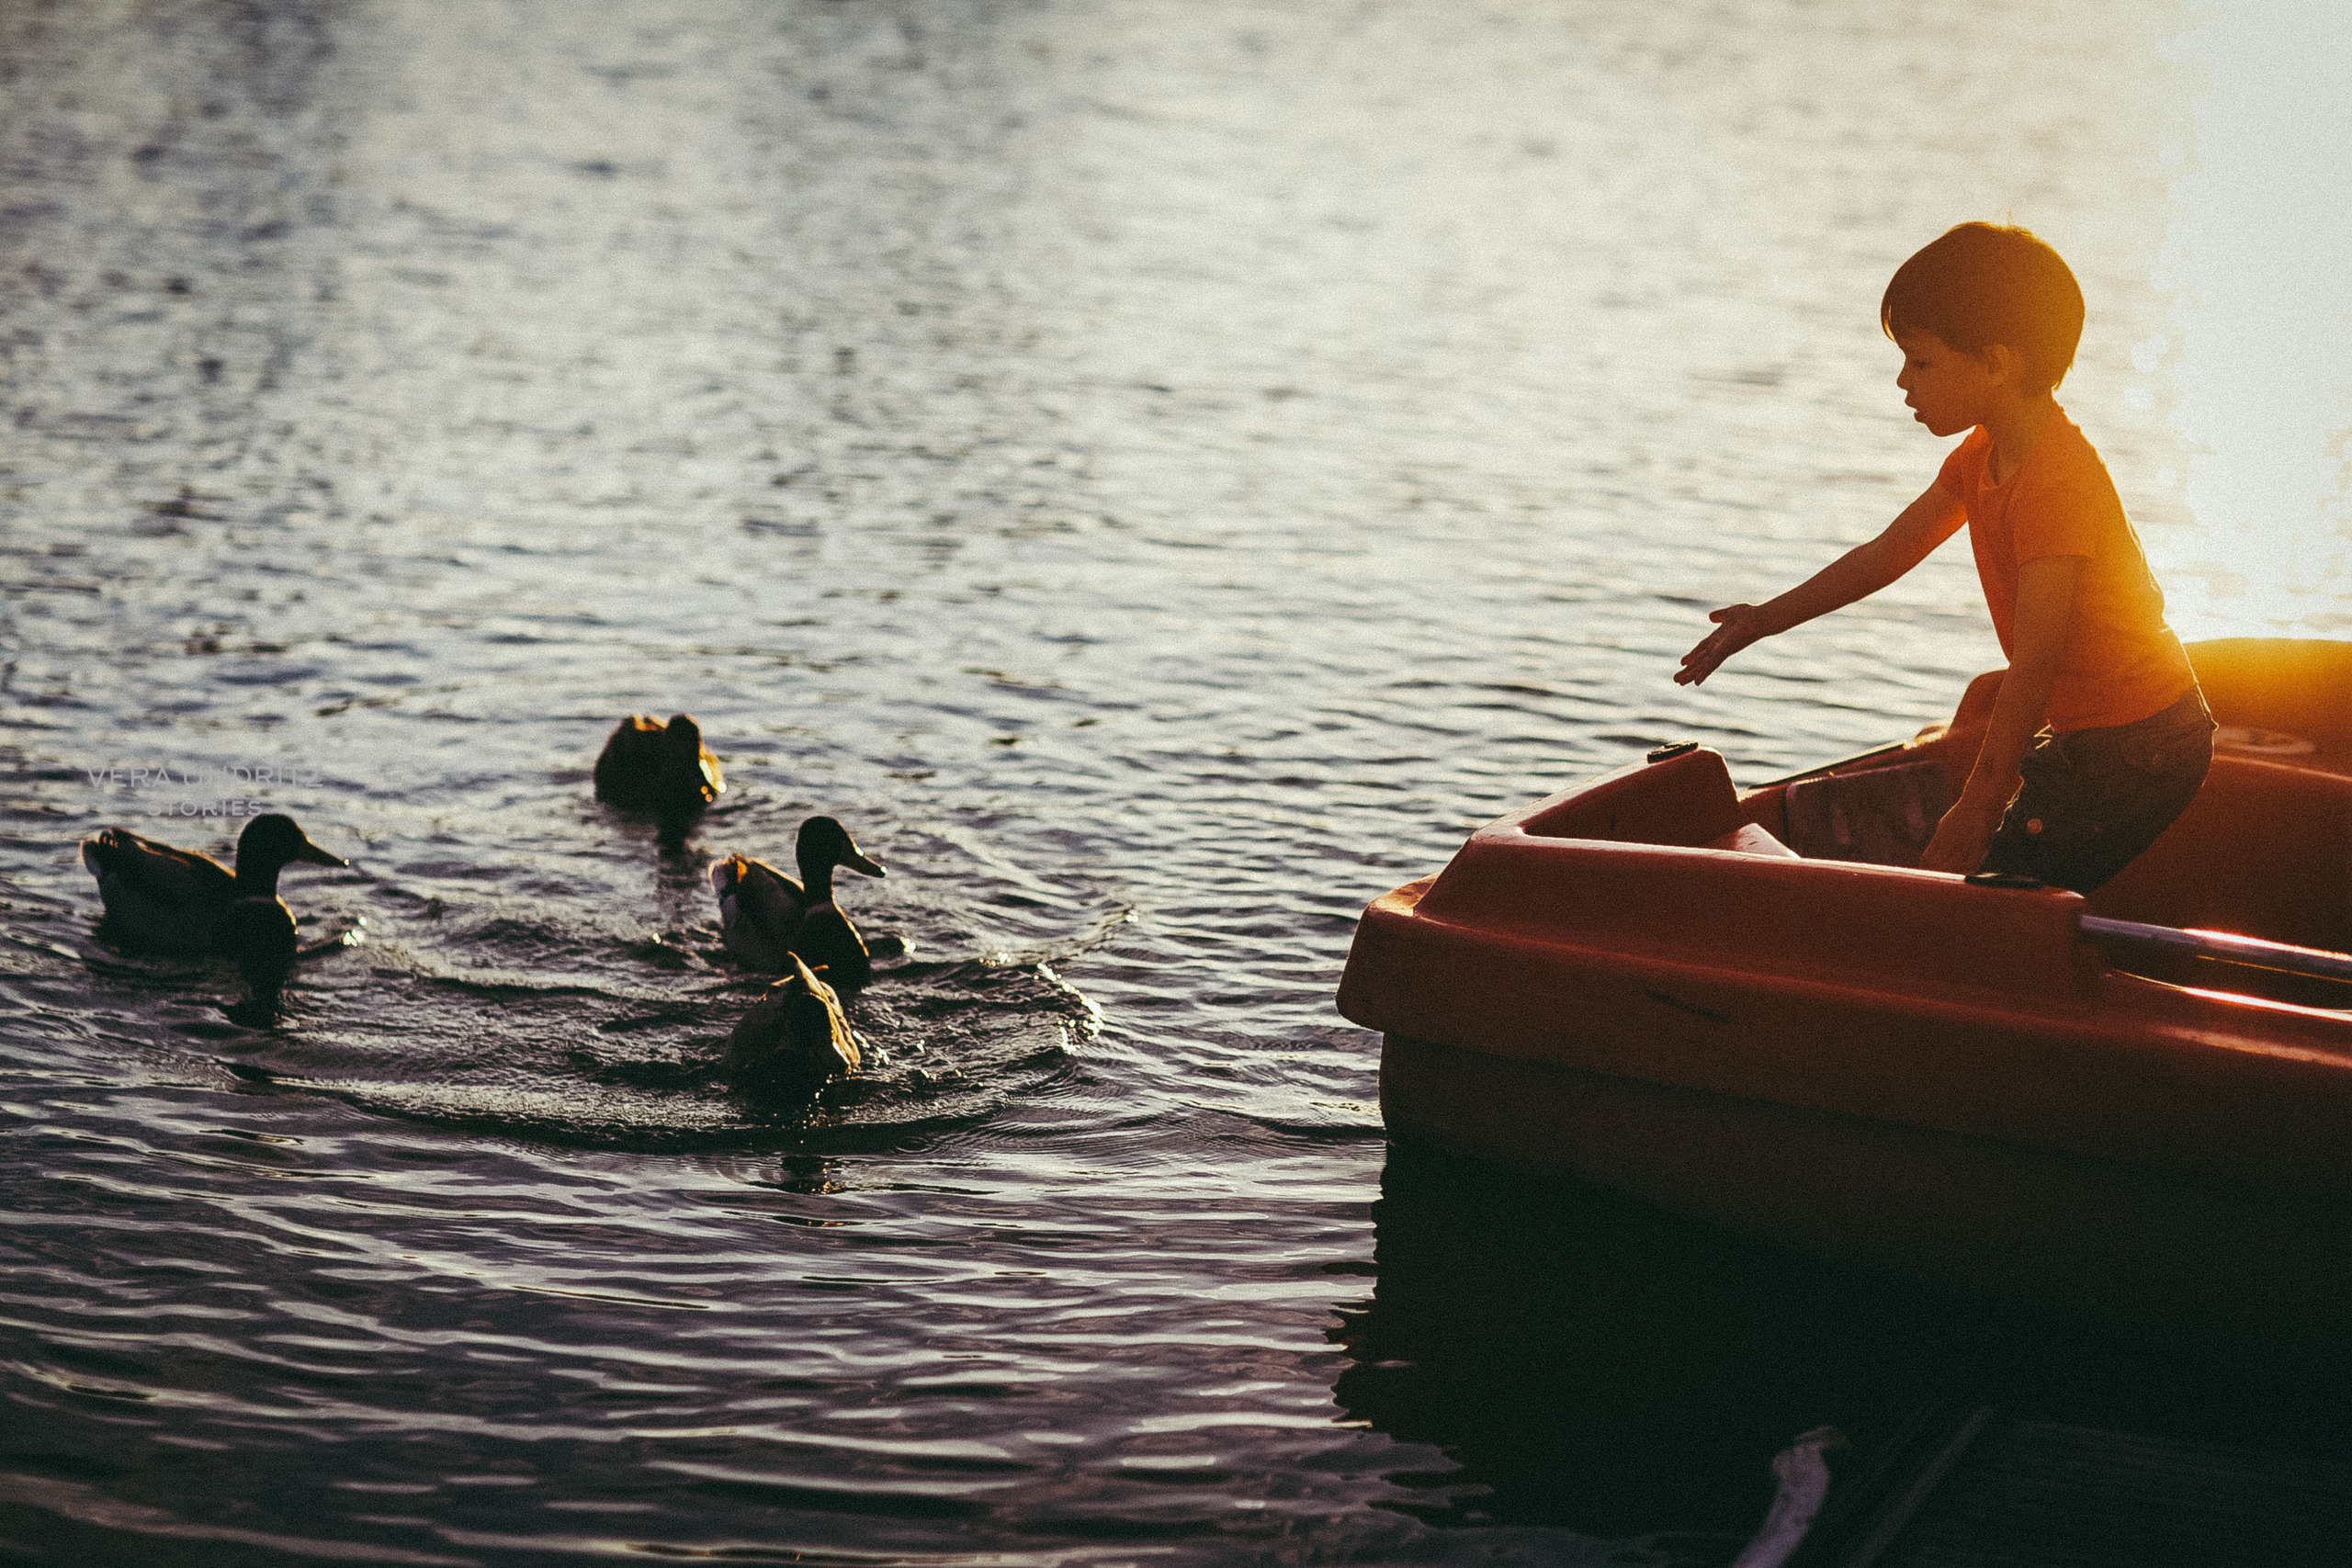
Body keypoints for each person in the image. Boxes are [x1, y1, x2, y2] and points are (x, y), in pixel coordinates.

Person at [1675, 222, 2211, 895]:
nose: (1903, 381)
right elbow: (1886, 554)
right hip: (2092, 731)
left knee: (2000, 895)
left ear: (1996, 362)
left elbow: (2036, 663)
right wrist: (1763, 620)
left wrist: (1980, 804)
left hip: (2144, 743)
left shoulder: (2056, 483)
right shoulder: (1983, 454)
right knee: (1996, 880)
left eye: (1921, 362)